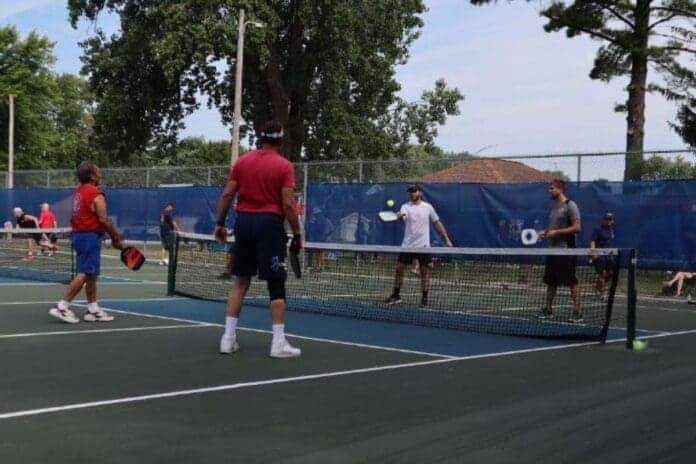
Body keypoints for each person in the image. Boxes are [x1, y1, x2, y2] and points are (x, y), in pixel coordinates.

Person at [214, 121, 302, 358]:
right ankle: (278, 343)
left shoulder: (242, 162)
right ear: (281, 140)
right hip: (269, 225)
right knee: (276, 284)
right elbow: (288, 204)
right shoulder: (284, 166)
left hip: (243, 223)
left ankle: (228, 339)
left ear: (260, 138)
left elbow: (227, 194)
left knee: (240, 281)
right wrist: (298, 233)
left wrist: (220, 223)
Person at [49, 161, 123, 324]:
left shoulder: (78, 193)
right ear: (91, 175)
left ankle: (93, 309)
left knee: (91, 274)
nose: (100, 173)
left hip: (79, 236)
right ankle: (62, 306)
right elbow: (103, 219)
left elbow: (76, 216)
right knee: (86, 272)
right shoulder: (95, 193)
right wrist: (116, 237)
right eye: (98, 171)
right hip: (89, 236)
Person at [385, 184, 453, 307]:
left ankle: (425, 298)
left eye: (414, 191)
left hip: (424, 246)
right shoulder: (405, 206)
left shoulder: (428, 207)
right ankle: (396, 295)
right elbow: (403, 216)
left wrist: (446, 239)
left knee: (424, 272)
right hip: (407, 246)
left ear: (420, 193)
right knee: (399, 268)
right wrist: (400, 217)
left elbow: (437, 223)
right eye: (410, 191)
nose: (412, 193)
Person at [538, 178, 582, 322]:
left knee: (571, 281)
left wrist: (556, 233)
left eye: (551, 188)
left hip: (566, 250)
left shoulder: (571, 205)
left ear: (560, 189)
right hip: (553, 250)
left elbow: (577, 228)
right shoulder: (553, 207)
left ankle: (577, 312)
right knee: (551, 281)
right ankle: (548, 310)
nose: (549, 191)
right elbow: (553, 229)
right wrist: (545, 232)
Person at [590, 212, 616, 301]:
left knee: (611, 273)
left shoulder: (611, 230)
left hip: (609, 256)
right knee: (602, 274)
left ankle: (597, 287)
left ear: (612, 221)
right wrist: (593, 253)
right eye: (606, 219)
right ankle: (602, 294)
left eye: (610, 220)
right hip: (599, 255)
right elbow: (593, 241)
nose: (608, 221)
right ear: (603, 220)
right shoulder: (598, 229)